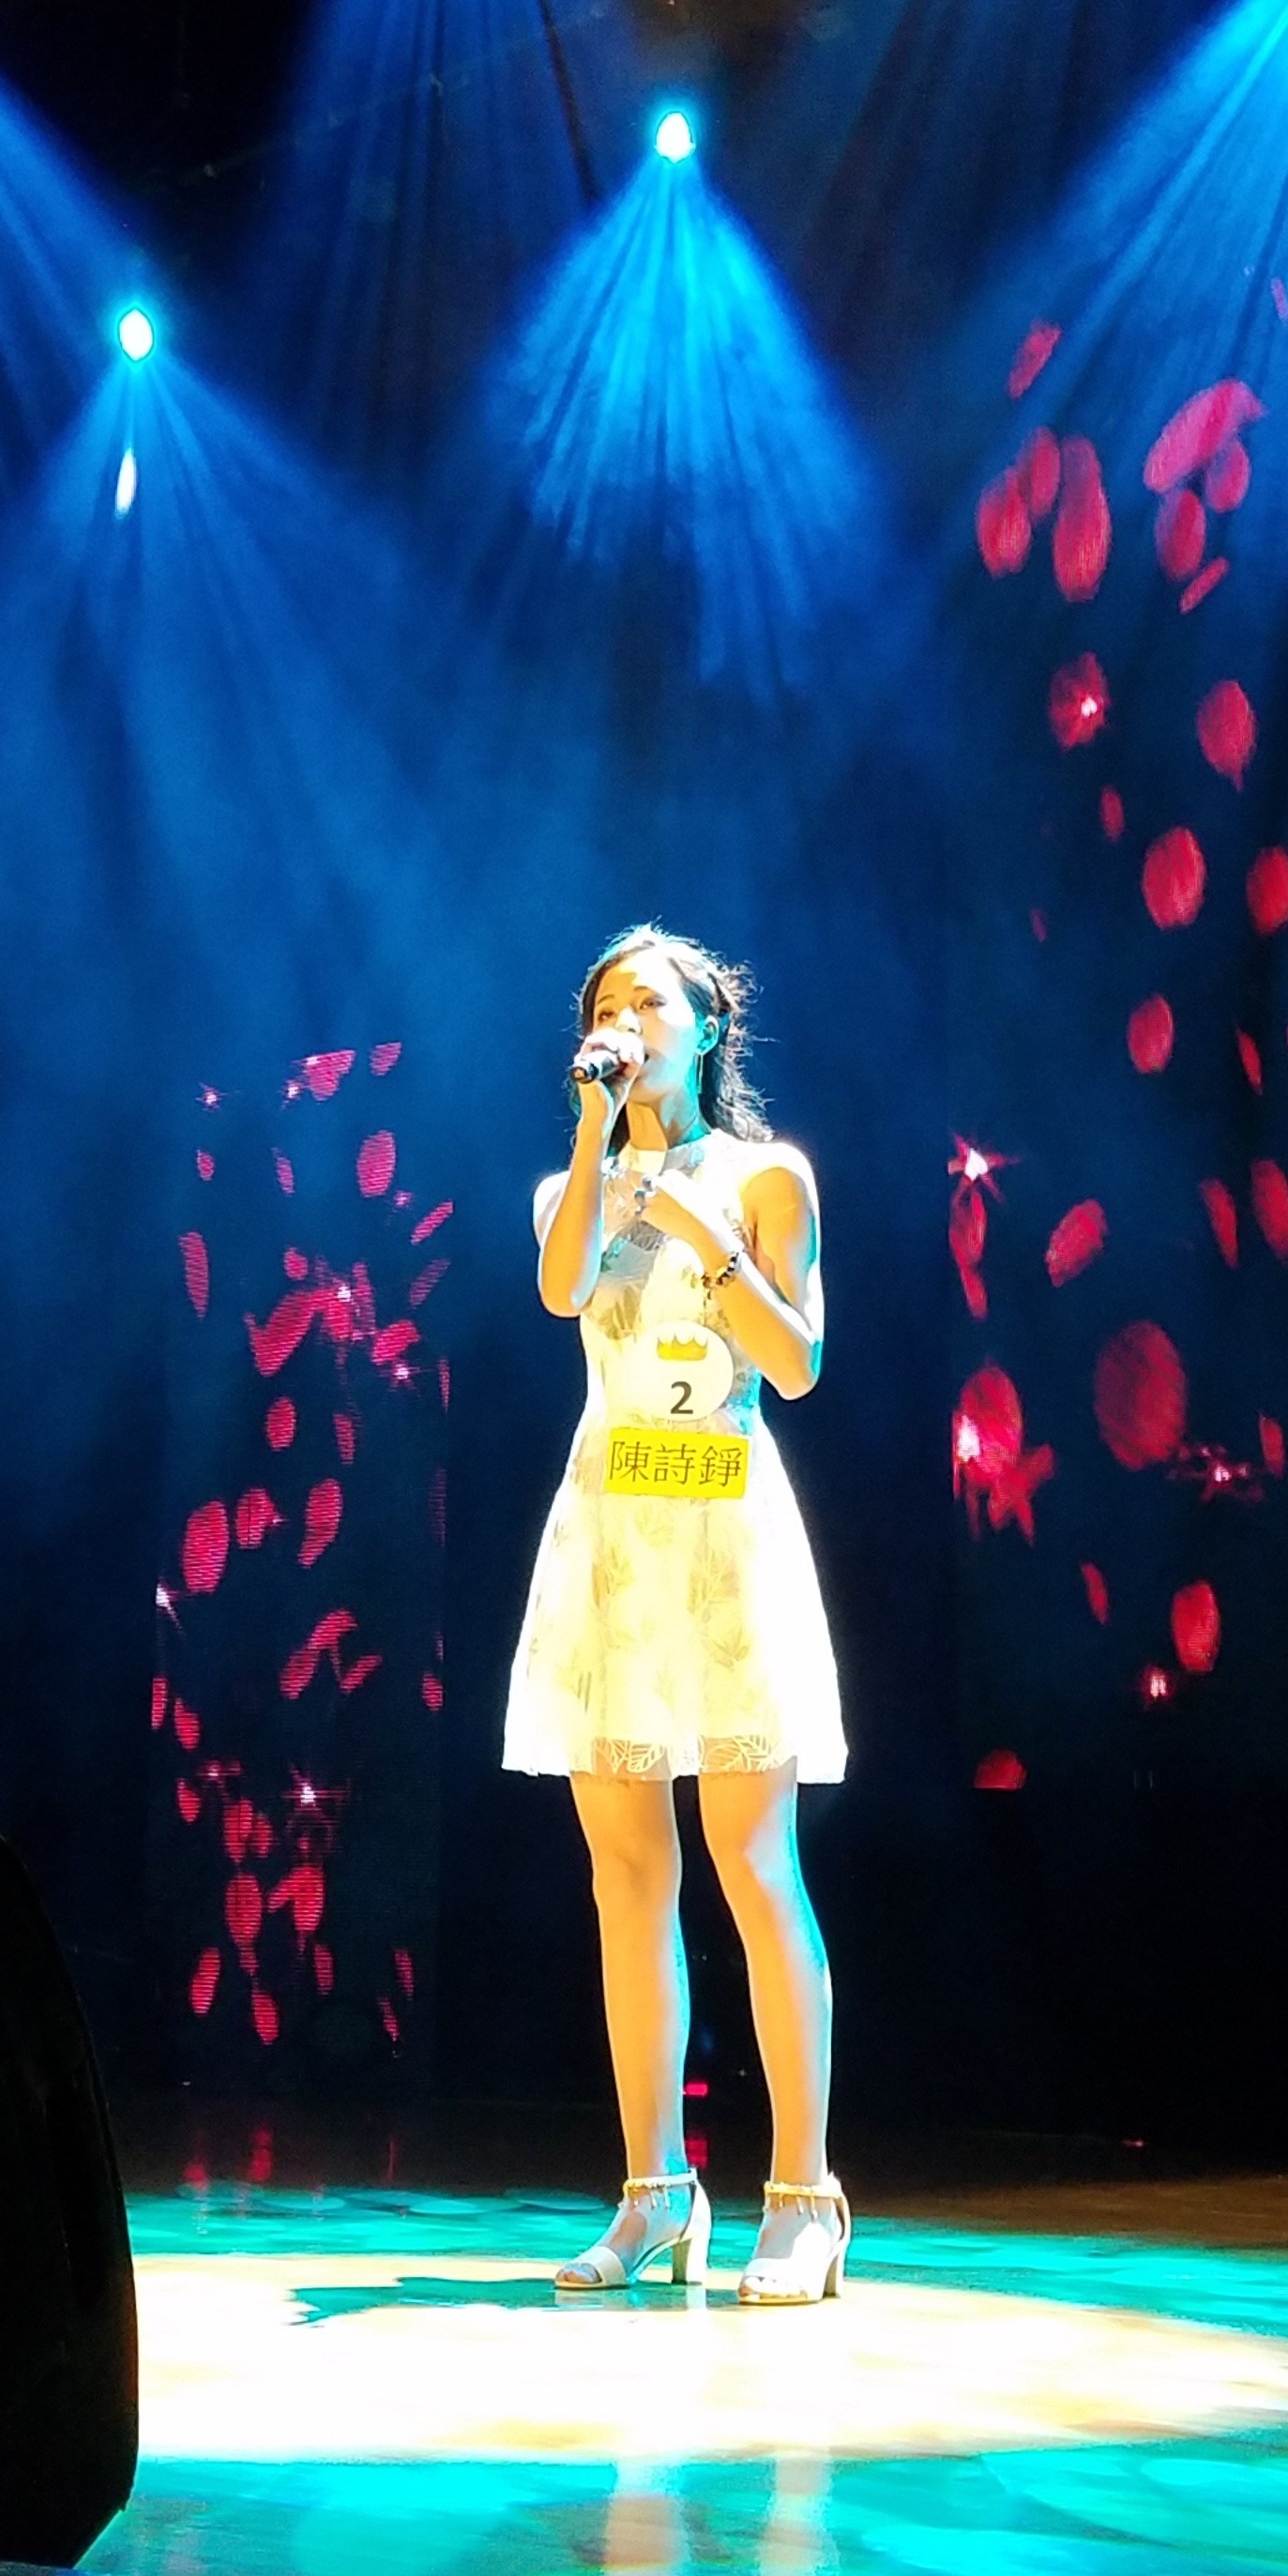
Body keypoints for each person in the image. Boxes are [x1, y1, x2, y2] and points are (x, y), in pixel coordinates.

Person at [505, 924, 848, 2303]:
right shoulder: (572, 1184)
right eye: (608, 1002)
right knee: (626, 1877)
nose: (627, 1019)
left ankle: (805, 2196)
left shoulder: (767, 1176)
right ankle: (656, 2190)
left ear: (708, 1027)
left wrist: (713, 1249)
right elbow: (563, 1291)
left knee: (753, 1864)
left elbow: (797, 1363)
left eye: (652, 1001)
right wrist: (600, 1137)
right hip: (612, 1530)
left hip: (724, 1521)